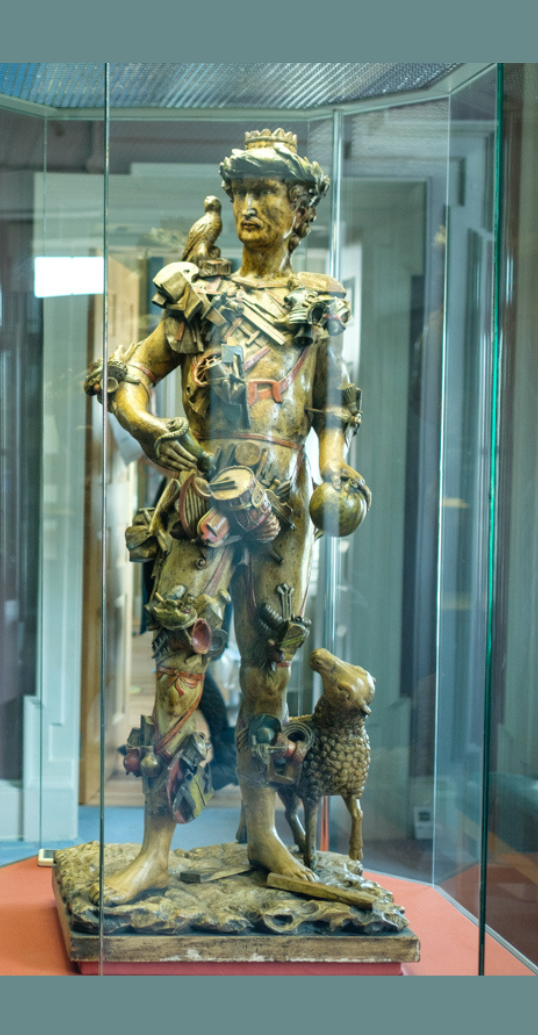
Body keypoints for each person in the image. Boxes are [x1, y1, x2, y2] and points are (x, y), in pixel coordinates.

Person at [85, 128, 369, 904]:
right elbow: (132, 374)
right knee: (180, 668)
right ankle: (155, 849)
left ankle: (264, 833)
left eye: (266, 193)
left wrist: (336, 476)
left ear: (299, 207)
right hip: (201, 497)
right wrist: (147, 427)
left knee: (270, 672)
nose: (249, 207)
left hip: (279, 505)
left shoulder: (319, 303)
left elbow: (331, 411)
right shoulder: (201, 294)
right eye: (240, 193)